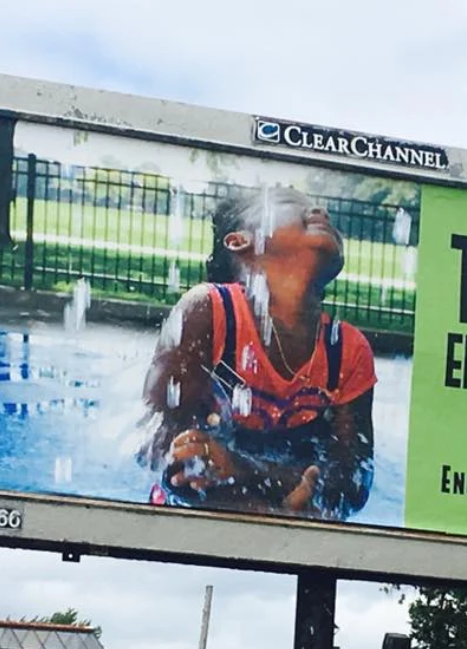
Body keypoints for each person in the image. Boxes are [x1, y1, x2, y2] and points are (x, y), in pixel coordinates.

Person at [139, 185, 376, 520]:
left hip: (275, 490)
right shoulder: (208, 313)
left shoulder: (347, 351)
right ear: (241, 241)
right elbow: (164, 449)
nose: (320, 210)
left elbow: (353, 481)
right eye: (291, 203)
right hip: (200, 510)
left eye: (320, 207)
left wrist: (244, 468)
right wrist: (276, 503)